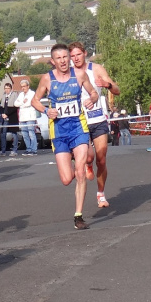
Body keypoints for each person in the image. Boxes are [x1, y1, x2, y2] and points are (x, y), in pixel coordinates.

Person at [32, 43, 98, 230]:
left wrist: (91, 99)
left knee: (80, 173)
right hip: (59, 132)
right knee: (67, 179)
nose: (63, 61)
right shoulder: (47, 79)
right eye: (58, 58)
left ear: (69, 58)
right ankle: (76, 160)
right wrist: (46, 111)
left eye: (65, 57)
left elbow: (93, 93)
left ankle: (78, 216)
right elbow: (34, 100)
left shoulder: (79, 75)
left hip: (78, 128)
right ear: (53, 61)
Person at [68, 42, 119, 209]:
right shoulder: (67, 74)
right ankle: (88, 163)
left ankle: (101, 194)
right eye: (72, 56)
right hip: (79, 122)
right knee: (88, 158)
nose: (75, 58)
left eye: (78, 54)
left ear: (85, 53)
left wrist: (108, 85)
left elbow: (117, 90)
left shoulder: (96, 69)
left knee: (102, 158)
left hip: (98, 119)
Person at [15, 79, 38, 156]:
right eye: (22, 87)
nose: (23, 88)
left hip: (30, 117)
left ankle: (33, 149)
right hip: (22, 117)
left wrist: (21, 104)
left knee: (31, 133)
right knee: (24, 134)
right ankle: (28, 148)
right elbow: (15, 104)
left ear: (28, 86)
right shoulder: (21, 94)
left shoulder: (32, 93)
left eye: (24, 86)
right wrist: (22, 102)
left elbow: (29, 103)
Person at [0, 83, 20, 156]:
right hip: (4, 117)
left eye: (8, 88)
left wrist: (7, 114)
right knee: (3, 133)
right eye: (5, 88)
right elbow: (1, 107)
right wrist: (2, 114)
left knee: (14, 133)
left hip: (12, 116)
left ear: (11, 89)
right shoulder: (4, 96)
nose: (7, 90)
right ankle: (3, 151)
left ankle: (14, 150)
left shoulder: (14, 95)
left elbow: (15, 106)